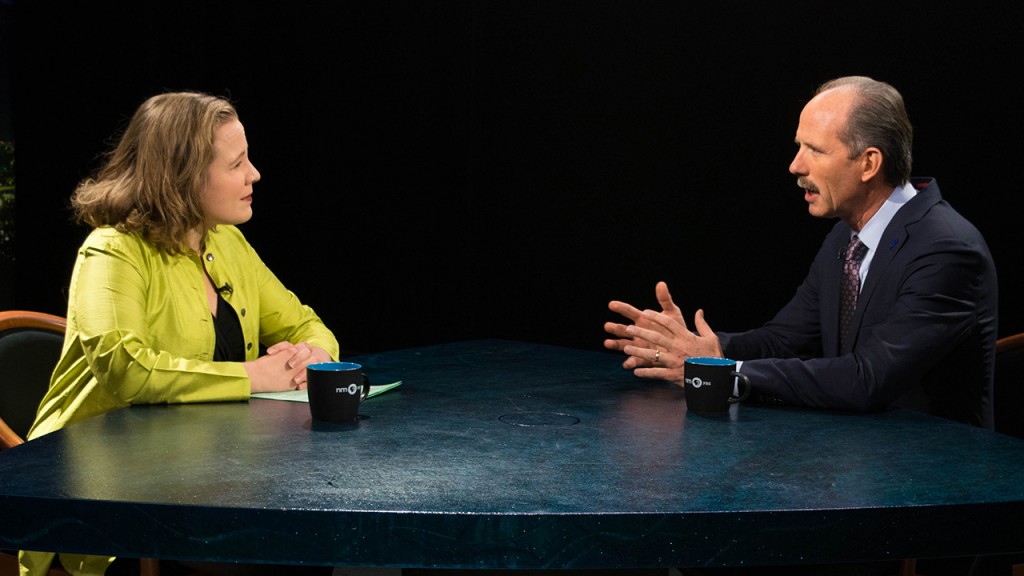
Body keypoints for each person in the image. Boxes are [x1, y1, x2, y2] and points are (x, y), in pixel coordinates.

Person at [604, 76, 998, 574]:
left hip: (927, 499)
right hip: (851, 468)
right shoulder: (846, 237)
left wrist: (719, 369)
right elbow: (785, 338)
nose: (795, 166)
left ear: (869, 163)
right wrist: (701, 347)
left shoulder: (946, 249)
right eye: (798, 147)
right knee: (689, 530)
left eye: (815, 150)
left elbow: (867, 379)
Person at [20, 92, 340, 576]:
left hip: (210, 470)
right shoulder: (111, 251)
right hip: (104, 482)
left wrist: (312, 355)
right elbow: (128, 369)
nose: (254, 174)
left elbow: (305, 323)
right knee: (275, 553)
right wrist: (255, 374)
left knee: (310, 538)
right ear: (184, 177)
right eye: (236, 163)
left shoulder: (227, 242)